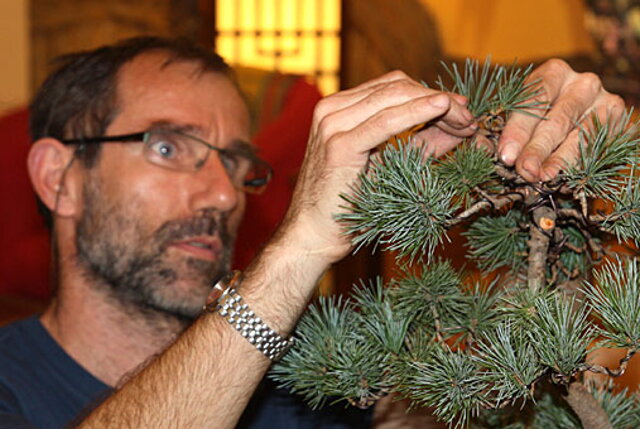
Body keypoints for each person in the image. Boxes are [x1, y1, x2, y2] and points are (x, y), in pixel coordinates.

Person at [0, 36, 623, 429]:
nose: (223, 194)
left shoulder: (307, 384)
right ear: (61, 177)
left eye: (236, 162)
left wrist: (548, 216)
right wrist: (298, 247)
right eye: (169, 146)